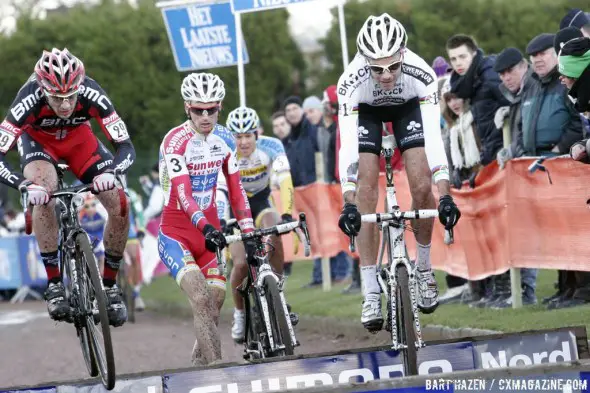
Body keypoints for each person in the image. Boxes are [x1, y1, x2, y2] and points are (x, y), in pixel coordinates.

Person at [336, 14, 461, 332]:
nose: (387, 74)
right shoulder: (350, 81)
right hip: (367, 113)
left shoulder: (422, 73)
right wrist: (347, 199)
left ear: (403, 53)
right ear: (365, 61)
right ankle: (370, 289)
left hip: (409, 109)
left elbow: (434, 138)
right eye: (377, 68)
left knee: (421, 185)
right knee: (366, 191)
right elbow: (348, 145)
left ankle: (423, 268)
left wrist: (444, 194)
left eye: (393, 65)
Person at [0, 48, 135, 326]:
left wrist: (112, 171)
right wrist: (24, 185)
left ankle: (109, 288)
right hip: (40, 146)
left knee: (120, 203)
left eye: (71, 96)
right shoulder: (27, 100)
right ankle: (54, 285)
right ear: (42, 89)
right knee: (44, 194)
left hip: (79, 142)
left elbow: (125, 146)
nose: (65, 105)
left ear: (80, 85)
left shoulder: (92, 92)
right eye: (57, 98)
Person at [157, 72, 255, 365]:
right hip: (177, 234)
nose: (205, 116)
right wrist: (206, 226)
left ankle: (199, 370)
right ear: (187, 107)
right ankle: (219, 373)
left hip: (209, 236)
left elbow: (236, 190)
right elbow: (184, 195)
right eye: (198, 110)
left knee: (212, 306)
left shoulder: (226, 138)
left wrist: (248, 229)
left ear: (219, 107)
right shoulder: (175, 141)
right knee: (199, 298)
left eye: (211, 109)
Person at [219, 106, 299, 343]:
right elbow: (221, 190)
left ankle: (278, 295)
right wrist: (223, 220)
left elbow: (285, 181)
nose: (243, 142)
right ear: (231, 137)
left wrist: (286, 213)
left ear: (257, 133)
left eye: (248, 135)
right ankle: (240, 313)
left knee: (274, 230)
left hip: (262, 202)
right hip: (235, 208)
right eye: (238, 136)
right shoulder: (224, 152)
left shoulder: (272, 146)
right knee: (241, 264)